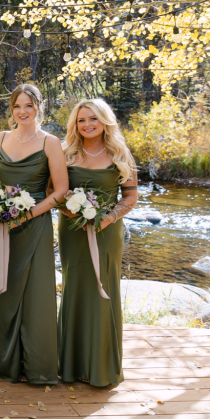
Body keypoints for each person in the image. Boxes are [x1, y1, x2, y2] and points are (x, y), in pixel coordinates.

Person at [0, 83, 69, 385]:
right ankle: (5, 362)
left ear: (38, 107)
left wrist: (26, 214)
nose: (22, 112)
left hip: (35, 224)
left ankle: (37, 366)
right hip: (3, 225)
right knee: (4, 292)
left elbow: (60, 191)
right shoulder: (0, 138)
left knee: (36, 294)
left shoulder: (50, 142)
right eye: (17, 106)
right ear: (11, 109)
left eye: (28, 106)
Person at [57, 99, 138, 387]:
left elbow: (130, 197)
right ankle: (71, 365)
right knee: (75, 287)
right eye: (81, 120)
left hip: (107, 232)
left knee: (103, 290)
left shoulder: (120, 153)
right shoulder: (65, 153)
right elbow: (54, 192)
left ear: (104, 121)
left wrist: (108, 218)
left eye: (93, 119)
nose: (87, 124)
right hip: (72, 230)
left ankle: (101, 368)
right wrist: (74, 213)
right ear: (75, 124)